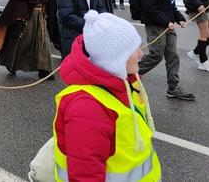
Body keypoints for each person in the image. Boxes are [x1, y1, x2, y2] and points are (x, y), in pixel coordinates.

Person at [52, 11, 161, 181]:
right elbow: (85, 174)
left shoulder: (125, 82)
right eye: (134, 50)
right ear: (116, 58)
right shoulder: (87, 109)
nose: (141, 54)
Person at [138, 0, 195, 100]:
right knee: (156, 55)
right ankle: (128, 76)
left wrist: (179, 18)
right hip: (155, 24)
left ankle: (173, 88)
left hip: (167, 24)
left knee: (172, 56)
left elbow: (170, 5)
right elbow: (148, 6)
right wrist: (165, 20)